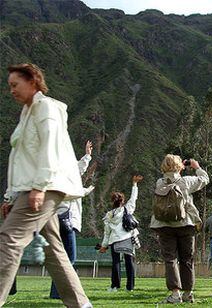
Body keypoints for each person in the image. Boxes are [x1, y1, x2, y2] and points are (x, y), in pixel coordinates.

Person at [0, 63, 92, 307]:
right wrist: (11, 196)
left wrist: (40, 187)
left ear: (32, 82)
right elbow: (21, 159)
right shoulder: (27, 113)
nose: (11, 90)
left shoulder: (46, 108)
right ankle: (81, 305)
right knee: (53, 250)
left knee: (9, 240)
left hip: (45, 187)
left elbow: (50, 148)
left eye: (14, 85)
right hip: (32, 187)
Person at [150, 155, 209, 304]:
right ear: (179, 167)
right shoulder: (186, 181)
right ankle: (188, 293)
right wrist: (196, 167)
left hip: (164, 225)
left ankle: (175, 294)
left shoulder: (159, 182)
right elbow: (205, 179)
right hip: (186, 225)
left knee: (170, 259)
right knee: (187, 260)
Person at [50, 140, 95, 299]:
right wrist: (85, 191)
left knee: (61, 256)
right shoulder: (63, 175)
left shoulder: (58, 171)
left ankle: (56, 293)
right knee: (70, 257)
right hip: (65, 219)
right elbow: (71, 186)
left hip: (59, 218)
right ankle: (61, 293)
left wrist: (88, 156)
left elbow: (79, 168)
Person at [99, 175, 143, 292]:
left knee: (116, 263)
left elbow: (106, 232)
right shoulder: (127, 209)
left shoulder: (109, 215)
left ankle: (115, 286)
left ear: (112, 201)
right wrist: (134, 184)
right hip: (127, 238)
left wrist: (104, 246)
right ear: (122, 201)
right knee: (129, 262)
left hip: (114, 240)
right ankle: (130, 287)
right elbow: (134, 198)